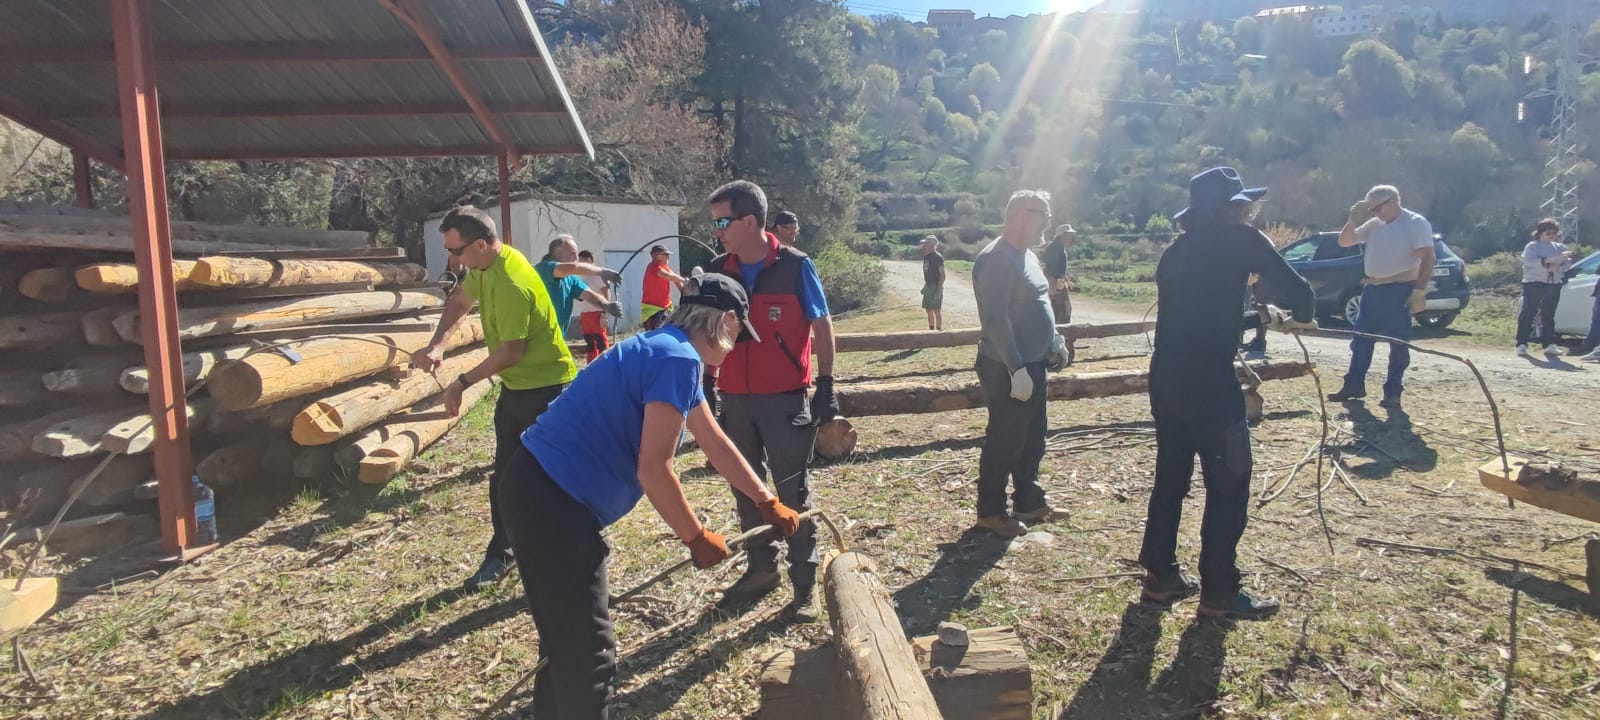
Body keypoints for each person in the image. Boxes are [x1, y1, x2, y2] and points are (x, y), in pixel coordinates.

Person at [503, 272, 803, 718]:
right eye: (740, 332)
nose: (739, 343)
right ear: (725, 321)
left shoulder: (666, 349)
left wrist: (765, 500)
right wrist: (696, 536)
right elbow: (654, 469)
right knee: (590, 656)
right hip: (552, 503)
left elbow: (713, 439)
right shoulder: (676, 360)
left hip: (535, 488)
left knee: (567, 642)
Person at [1138, 168, 1315, 621]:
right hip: (1210, 381)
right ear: (1233, 207)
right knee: (1230, 481)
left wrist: (1255, 310)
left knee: (1171, 477)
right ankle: (1219, 591)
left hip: (1168, 376)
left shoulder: (1175, 253)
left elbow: (1205, 300)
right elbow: (1300, 289)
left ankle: (1160, 576)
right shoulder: (1242, 238)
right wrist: (1296, 316)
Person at [410, 206, 579, 591]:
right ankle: (503, 554)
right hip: (517, 389)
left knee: (550, 480)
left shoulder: (511, 283)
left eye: (457, 251)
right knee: (505, 478)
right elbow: (457, 303)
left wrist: (461, 381)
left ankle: (566, 558)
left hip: (547, 390)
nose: (453, 259)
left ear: (482, 245)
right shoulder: (484, 267)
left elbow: (510, 352)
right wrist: (437, 345)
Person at [704, 180, 838, 621]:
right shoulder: (717, 268)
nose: (717, 230)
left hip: (784, 398)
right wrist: (706, 380)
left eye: (723, 221)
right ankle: (761, 568)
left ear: (749, 221)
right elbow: (704, 329)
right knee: (746, 485)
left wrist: (826, 383)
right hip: (735, 398)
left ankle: (805, 585)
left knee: (791, 490)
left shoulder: (796, 266)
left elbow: (821, 325)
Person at [971, 190, 1072, 538]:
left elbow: (1039, 301)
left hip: (1033, 363)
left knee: (1033, 437)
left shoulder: (1026, 254)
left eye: (1046, 213)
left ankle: (1028, 500)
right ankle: (991, 512)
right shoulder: (997, 258)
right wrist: (1016, 369)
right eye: (1039, 213)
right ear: (1017, 214)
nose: (1045, 221)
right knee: (1005, 439)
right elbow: (996, 319)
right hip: (1006, 366)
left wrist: (1053, 340)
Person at [1327, 185, 1435, 409]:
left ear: (1393, 201)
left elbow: (1427, 258)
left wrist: (1419, 290)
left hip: (1400, 289)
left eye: (1378, 208)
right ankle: (1354, 385)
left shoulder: (1415, 223)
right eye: (1371, 209)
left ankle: (1393, 391)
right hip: (1373, 290)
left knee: (1398, 344)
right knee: (1361, 340)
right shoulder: (1375, 224)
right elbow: (1345, 241)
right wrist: (1353, 220)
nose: (1375, 213)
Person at [538, 234, 623, 337]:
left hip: (556, 337)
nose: (576, 258)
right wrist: (601, 271)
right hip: (537, 337)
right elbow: (573, 267)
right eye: (573, 254)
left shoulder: (571, 279)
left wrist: (607, 305)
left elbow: (588, 294)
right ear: (558, 254)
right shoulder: (544, 269)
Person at [1516, 218, 1572, 357]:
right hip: (1534, 282)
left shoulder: (1560, 247)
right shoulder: (1532, 246)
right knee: (1529, 312)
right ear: (1540, 233)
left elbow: (1567, 264)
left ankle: (1548, 343)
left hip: (1553, 283)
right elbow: (1530, 262)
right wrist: (1550, 261)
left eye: (1554, 233)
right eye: (1548, 233)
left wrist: (1558, 266)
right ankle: (1521, 343)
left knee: (1548, 314)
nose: (1552, 236)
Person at [577, 249, 612, 362]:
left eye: (582, 260)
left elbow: (607, 293)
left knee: (600, 340)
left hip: (597, 312)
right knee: (589, 341)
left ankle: (605, 363)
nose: (580, 263)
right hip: (586, 314)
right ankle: (591, 364)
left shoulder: (598, 275)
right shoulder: (583, 277)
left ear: (589, 260)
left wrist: (605, 313)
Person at [641, 244, 686, 331]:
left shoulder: (665, 267)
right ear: (657, 256)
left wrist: (684, 292)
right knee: (655, 334)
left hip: (665, 307)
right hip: (652, 310)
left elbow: (675, 279)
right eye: (666, 255)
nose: (668, 257)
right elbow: (668, 276)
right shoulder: (653, 267)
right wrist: (685, 280)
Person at [1042, 223, 1077, 324]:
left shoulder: (1057, 247)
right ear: (1062, 235)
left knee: (1058, 308)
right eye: (1068, 234)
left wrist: (1066, 276)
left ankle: (1058, 333)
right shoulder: (1056, 248)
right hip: (1056, 282)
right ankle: (1063, 333)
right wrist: (1058, 283)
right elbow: (1053, 268)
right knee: (1064, 308)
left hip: (1056, 281)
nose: (1071, 237)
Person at [921, 234, 946, 331]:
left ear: (931, 245)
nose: (924, 246)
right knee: (928, 309)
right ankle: (931, 330)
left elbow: (942, 275)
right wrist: (925, 286)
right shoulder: (926, 257)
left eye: (926, 244)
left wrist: (938, 290)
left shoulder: (938, 257)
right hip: (929, 285)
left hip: (936, 285)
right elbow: (928, 274)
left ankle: (939, 331)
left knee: (936, 310)